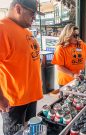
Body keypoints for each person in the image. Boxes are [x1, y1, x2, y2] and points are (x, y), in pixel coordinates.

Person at [0, 0, 43, 134]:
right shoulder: (2, 29)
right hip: (14, 101)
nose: (34, 18)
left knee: (31, 131)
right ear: (18, 8)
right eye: (32, 13)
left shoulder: (25, 30)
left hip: (31, 96)